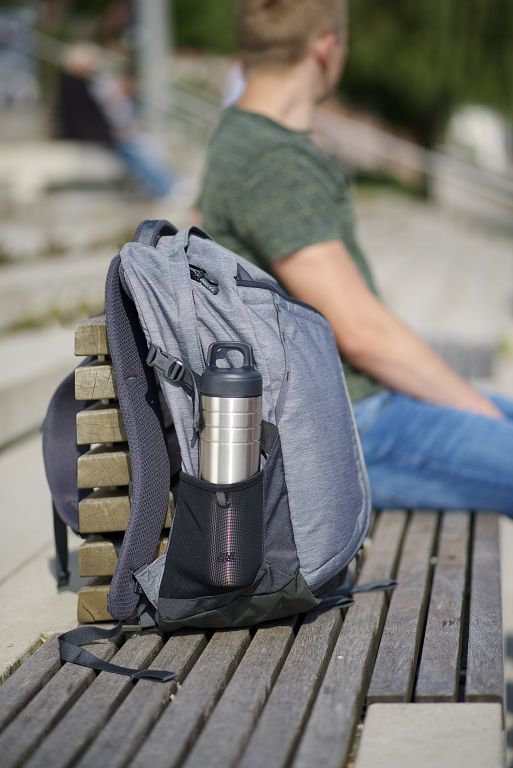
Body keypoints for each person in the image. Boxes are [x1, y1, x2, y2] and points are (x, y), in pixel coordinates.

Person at [195, 0, 513, 514]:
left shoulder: (243, 137)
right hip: (350, 425)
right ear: (326, 48)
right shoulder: (273, 162)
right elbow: (363, 334)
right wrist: (479, 412)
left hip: (345, 410)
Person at [55, 43, 173, 198]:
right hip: (87, 133)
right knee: (133, 148)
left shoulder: (77, 83)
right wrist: (112, 133)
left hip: (95, 131)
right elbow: (86, 118)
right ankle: (164, 187)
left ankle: (161, 186)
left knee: (139, 145)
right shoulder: (74, 85)